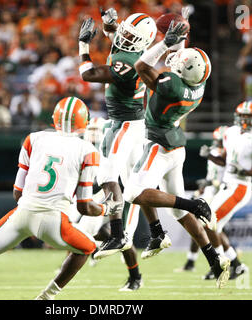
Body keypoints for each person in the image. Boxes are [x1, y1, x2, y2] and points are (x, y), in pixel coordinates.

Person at [0, 97, 121, 300]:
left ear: (54, 119)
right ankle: (46, 297)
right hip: (55, 221)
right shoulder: (87, 151)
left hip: (22, 214)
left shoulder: (34, 138)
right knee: (87, 247)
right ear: (84, 122)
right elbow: (85, 206)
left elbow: (17, 193)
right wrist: (106, 209)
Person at [122, 20, 230, 288]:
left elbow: (141, 66)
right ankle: (214, 259)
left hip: (158, 143)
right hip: (176, 146)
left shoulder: (171, 85)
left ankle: (193, 205)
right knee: (177, 212)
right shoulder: (198, 86)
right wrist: (179, 38)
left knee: (133, 192)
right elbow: (181, 63)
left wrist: (164, 43)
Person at [77, 9, 156, 259]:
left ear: (141, 42)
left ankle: (118, 233)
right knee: (134, 183)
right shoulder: (137, 54)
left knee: (107, 175)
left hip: (124, 123)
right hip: (135, 122)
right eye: (126, 34)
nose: (125, 38)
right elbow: (119, 38)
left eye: (132, 37)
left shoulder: (129, 63)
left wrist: (83, 45)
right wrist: (111, 25)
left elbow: (88, 74)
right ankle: (157, 232)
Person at [202, 101, 252, 280]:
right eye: (242, 115)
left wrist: (245, 171)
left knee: (209, 223)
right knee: (214, 226)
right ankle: (237, 265)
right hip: (226, 185)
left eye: (248, 116)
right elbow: (226, 162)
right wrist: (210, 155)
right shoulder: (230, 132)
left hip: (240, 186)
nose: (244, 119)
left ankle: (218, 262)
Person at [77, 117, 143, 291]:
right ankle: (97, 249)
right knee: (86, 230)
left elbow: (119, 179)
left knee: (123, 237)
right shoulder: (86, 148)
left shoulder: (114, 145)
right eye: (89, 129)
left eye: (95, 130)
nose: (92, 134)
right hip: (100, 195)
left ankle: (135, 277)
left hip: (121, 195)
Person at [176, 125, 229, 272]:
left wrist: (211, 183)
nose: (216, 144)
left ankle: (227, 261)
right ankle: (192, 262)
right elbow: (211, 176)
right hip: (209, 192)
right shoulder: (214, 152)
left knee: (210, 227)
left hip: (220, 193)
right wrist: (202, 189)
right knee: (199, 226)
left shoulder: (229, 154)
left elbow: (228, 178)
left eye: (219, 141)